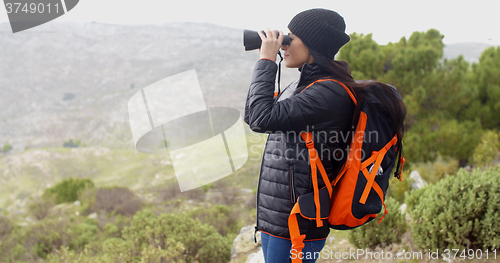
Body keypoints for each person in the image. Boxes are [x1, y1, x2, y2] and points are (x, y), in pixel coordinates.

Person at [244, 8, 406, 263]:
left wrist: (265, 61)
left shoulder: (328, 93)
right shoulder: (301, 88)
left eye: (291, 38)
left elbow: (259, 118)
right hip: (278, 219)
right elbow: (253, 113)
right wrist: (268, 63)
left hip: (298, 223)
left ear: (312, 44)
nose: (284, 44)